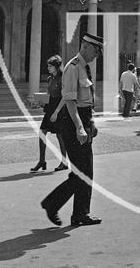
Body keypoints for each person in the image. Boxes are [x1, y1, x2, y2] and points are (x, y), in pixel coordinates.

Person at [41, 33, 104, 227]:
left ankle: (80, 213)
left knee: (86, 171)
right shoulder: (73, 68)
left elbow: (87, 101)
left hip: (83, 119)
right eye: (95, 50)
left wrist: (90, 121)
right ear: (85, 46)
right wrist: (79, 127)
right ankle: (53, 203)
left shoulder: (84, 68)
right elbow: (70, 101)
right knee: (82, 172)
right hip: (72, 121)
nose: (97, 55)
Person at [30, 55, 68, 172]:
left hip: (59, 108)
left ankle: (64, 162)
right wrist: (41, 102)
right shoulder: (49, 78)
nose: (48, 68)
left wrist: (56, 112)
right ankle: (42, 161)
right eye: (48, 66)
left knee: (60, 136)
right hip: (50, 106)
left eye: (50, 66)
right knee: (42, 133)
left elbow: (65, 97)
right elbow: (49, 94)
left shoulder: (62, 79)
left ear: (56, 67)